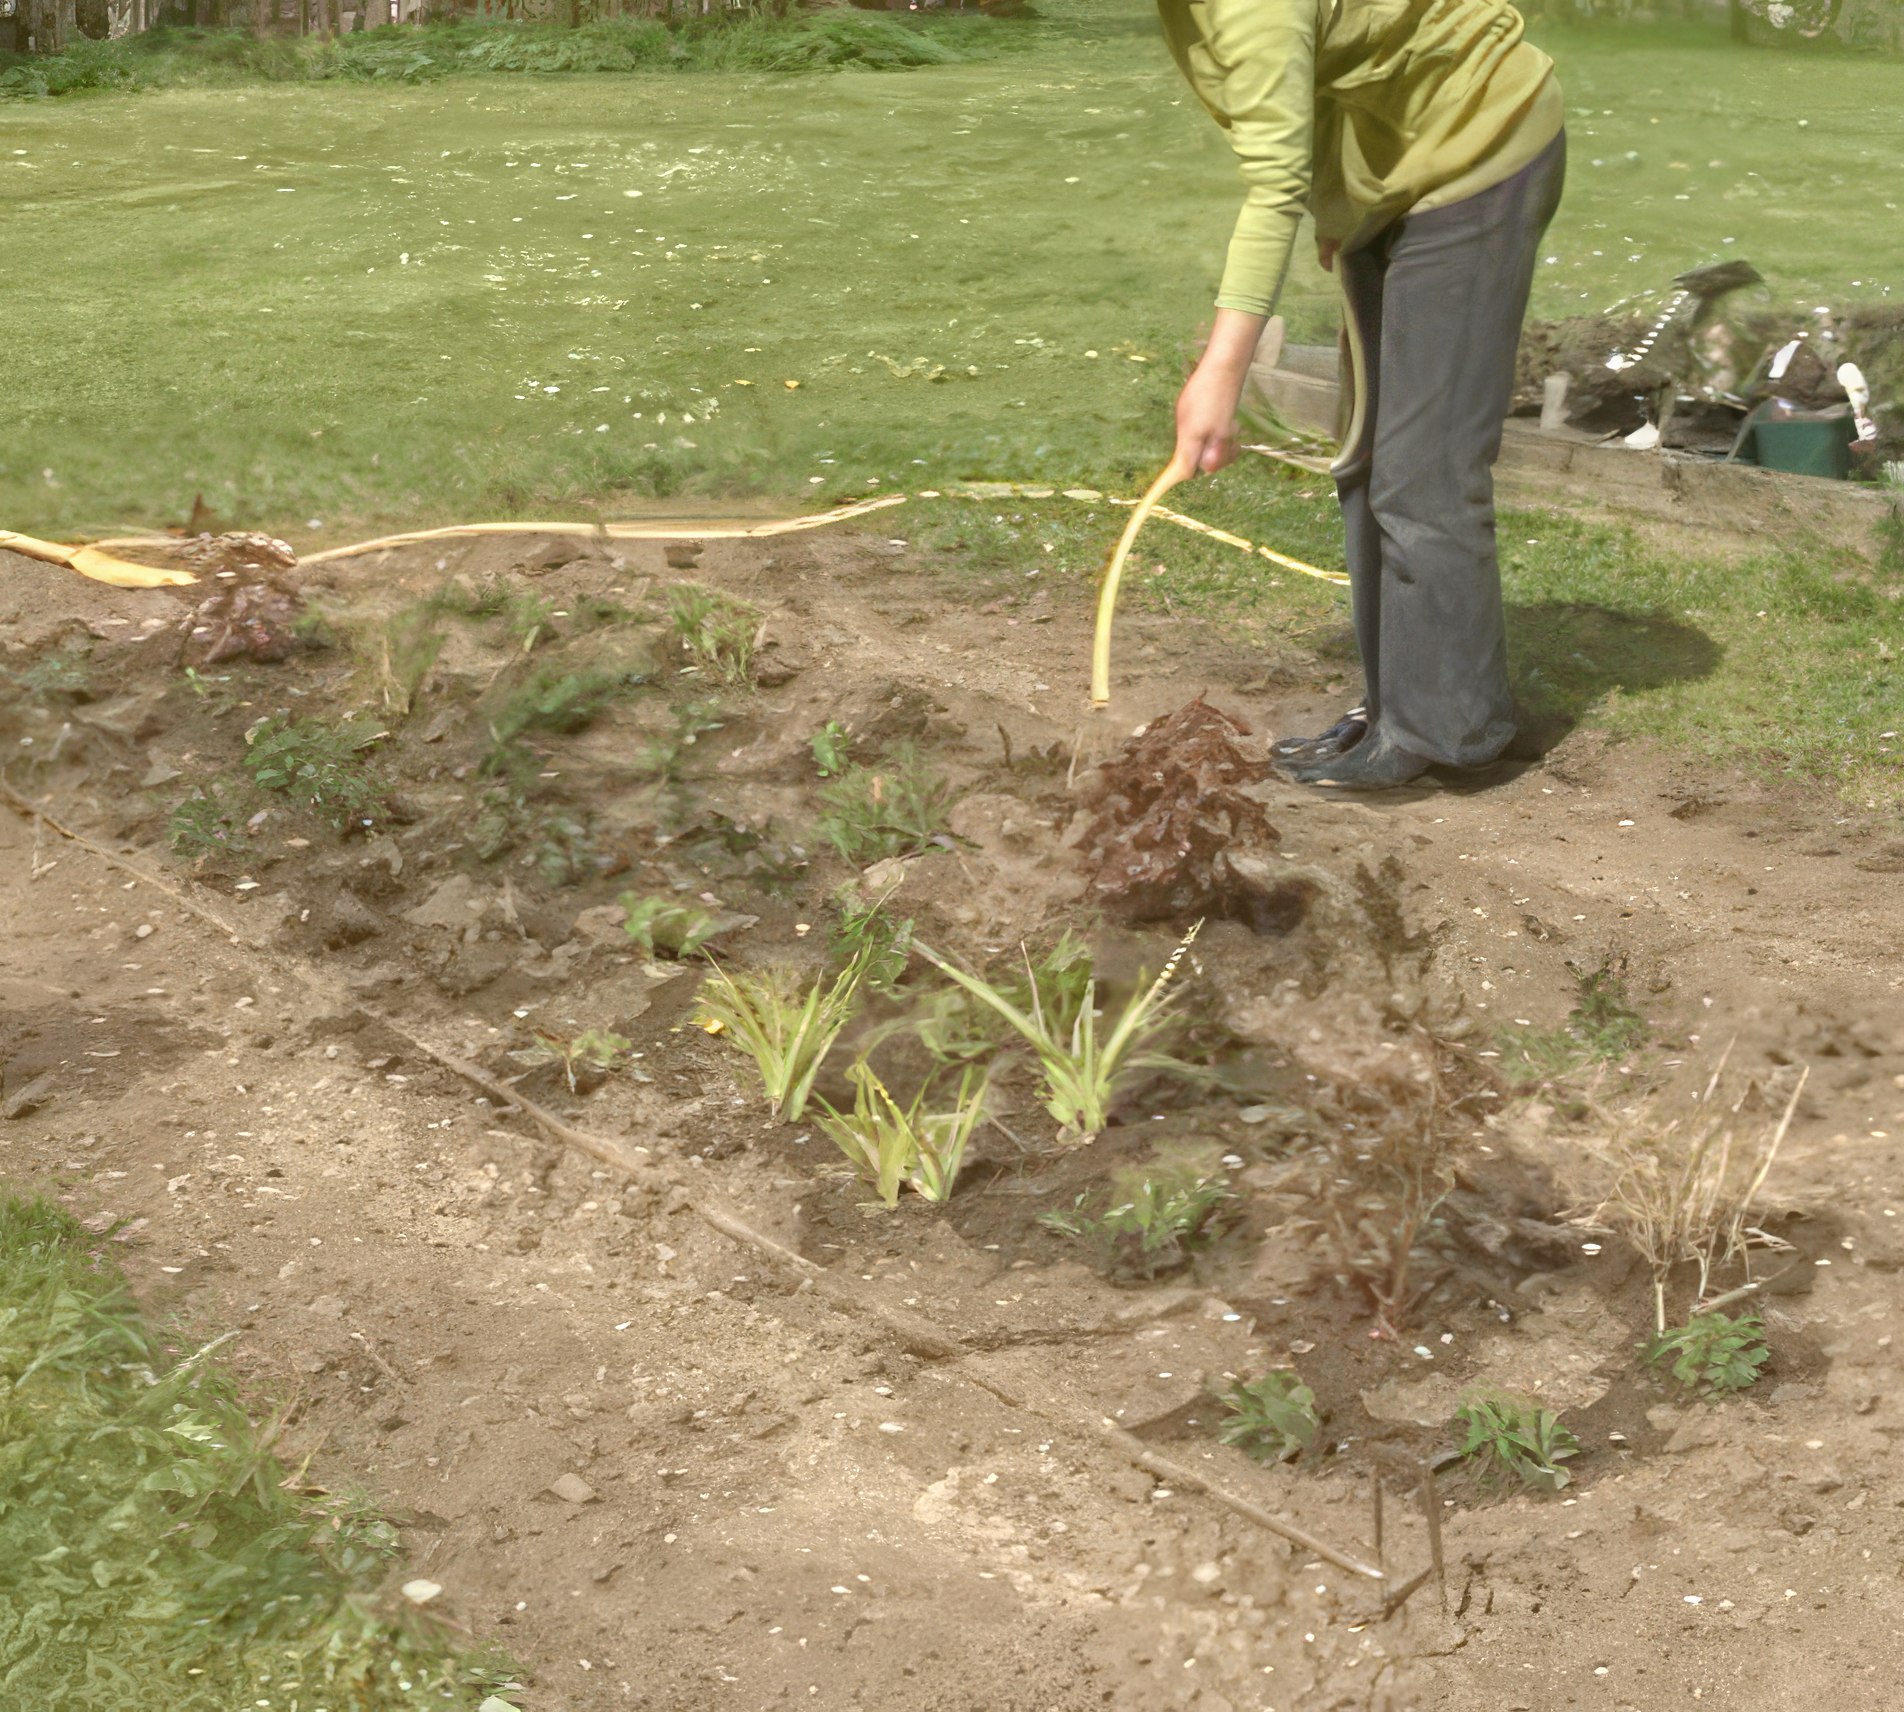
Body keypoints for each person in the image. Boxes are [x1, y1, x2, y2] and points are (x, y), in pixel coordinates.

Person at [1160, 0, 1566, 790]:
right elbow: (1296, 91)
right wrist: (1342, 203)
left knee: (1426, 468)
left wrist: (1221, 370)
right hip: (1392, 158)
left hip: (1479, 148)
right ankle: (1396, 711)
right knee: (1369, 453)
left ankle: (1450, 731)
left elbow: (1272, 178)